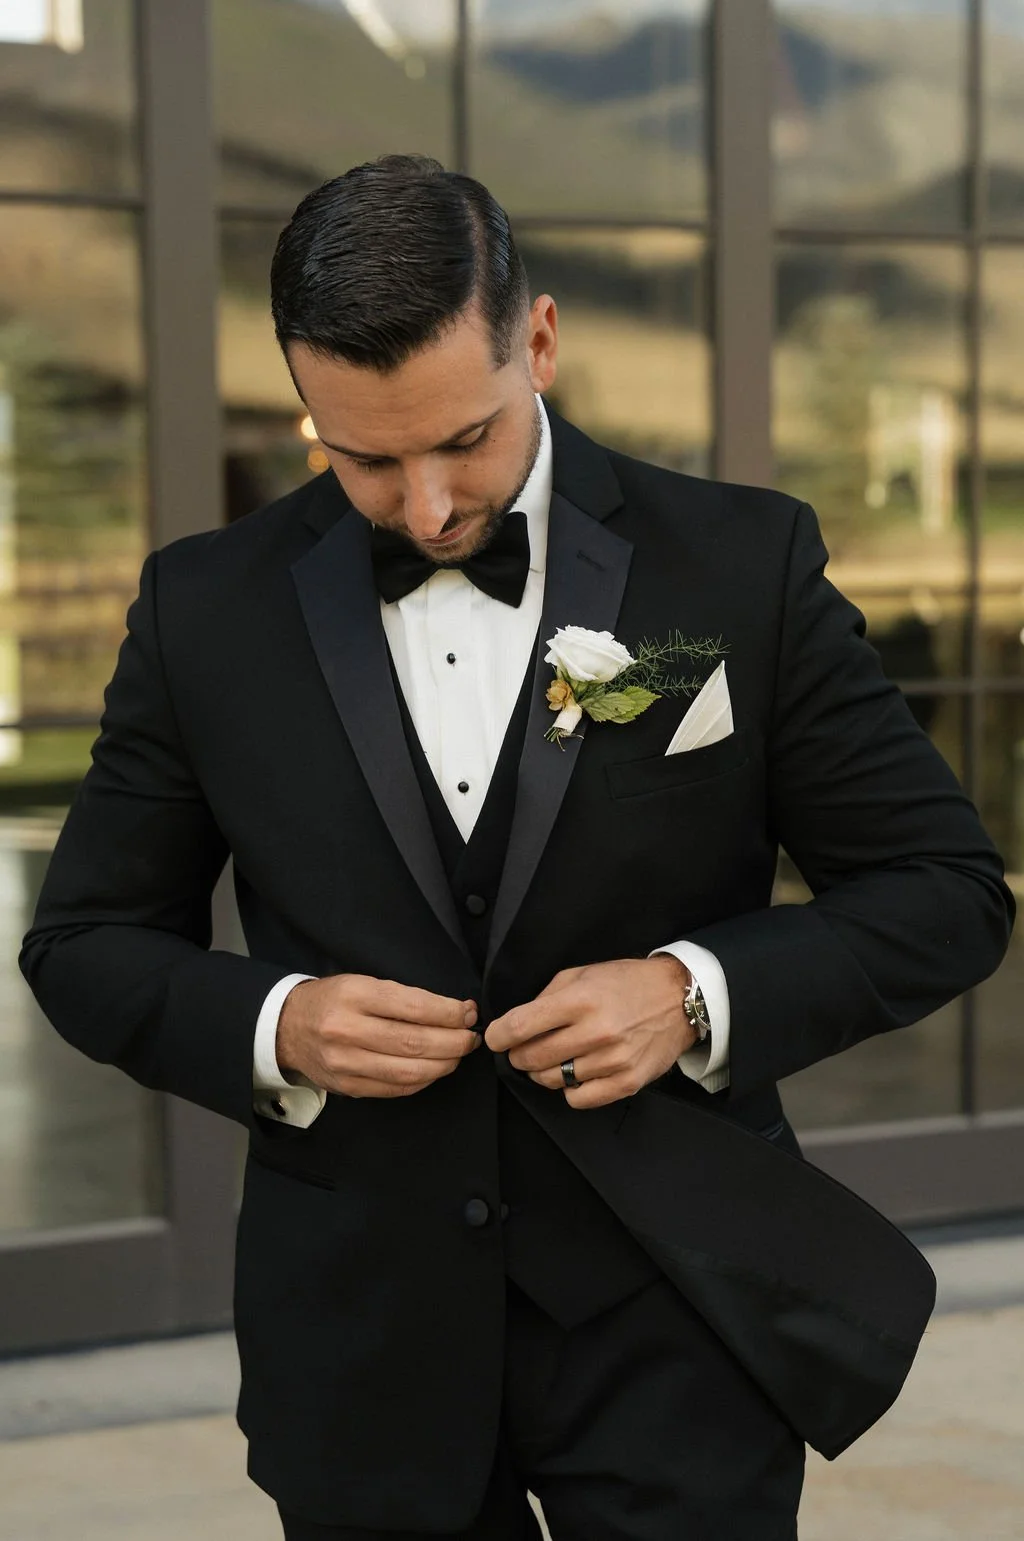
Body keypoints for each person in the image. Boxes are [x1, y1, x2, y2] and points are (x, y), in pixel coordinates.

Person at [20, 154, 1013, 1541]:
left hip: (676, 1310)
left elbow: (944, 893)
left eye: (463, 441)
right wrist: (279, 1023)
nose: (427, 509)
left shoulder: (742, 566)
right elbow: (83, 944)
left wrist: (690, 995)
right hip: (360, 1334)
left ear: (537, 340)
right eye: (363, 459)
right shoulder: (205, 611)